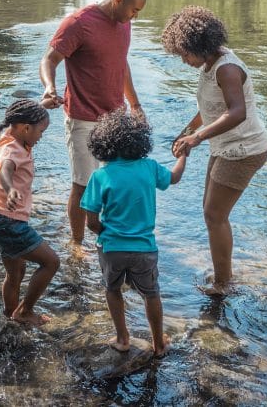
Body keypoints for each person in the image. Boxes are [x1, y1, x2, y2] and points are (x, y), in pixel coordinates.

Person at [163, 6, 267, 296]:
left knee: (214, 215)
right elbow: (209, 107)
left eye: (184, 53)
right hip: (225, 146)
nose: (183, 60)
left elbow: (237, 112)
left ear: (198, 46)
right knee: (211, 213)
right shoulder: (210, 64)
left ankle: (224, 283)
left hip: (244, 149)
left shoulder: (227, 68)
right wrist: (187, 132)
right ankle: (223, 274)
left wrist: (196, 139)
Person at [39, 0, 147, 249]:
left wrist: (134, 104)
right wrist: (50, 88)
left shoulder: (124, 24)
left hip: (115, 120)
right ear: (118, 0)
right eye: (134, 10)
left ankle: (107, 239)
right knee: (83, 186)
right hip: (83, 118)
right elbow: (49, 59)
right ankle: (76, 245)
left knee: (114, 184)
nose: (135, 17)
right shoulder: (79, 23)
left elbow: (121, 64)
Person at [79, 110, 186, 357]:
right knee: (151, 294)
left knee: (112, 290)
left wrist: (108, 232)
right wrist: (183, 157)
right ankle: (159, 343)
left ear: (103, 144)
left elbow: (91, 222)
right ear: (140, 140)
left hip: (112, 248)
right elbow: (175, 177)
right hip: (145, 248)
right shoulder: (149, 167)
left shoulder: (100, 176)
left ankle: (122, 338)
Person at [0, 99, 60, 326]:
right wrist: (10, 190)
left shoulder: (10, 135)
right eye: (41, 131)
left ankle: (10, 315)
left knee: (16, 271)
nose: (41, 136)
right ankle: (25, 311)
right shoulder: (12, 149)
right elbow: (5, 170)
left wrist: (43, 105)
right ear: (26, 128)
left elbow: (25, 114)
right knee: (51, 263)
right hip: (9, 222)